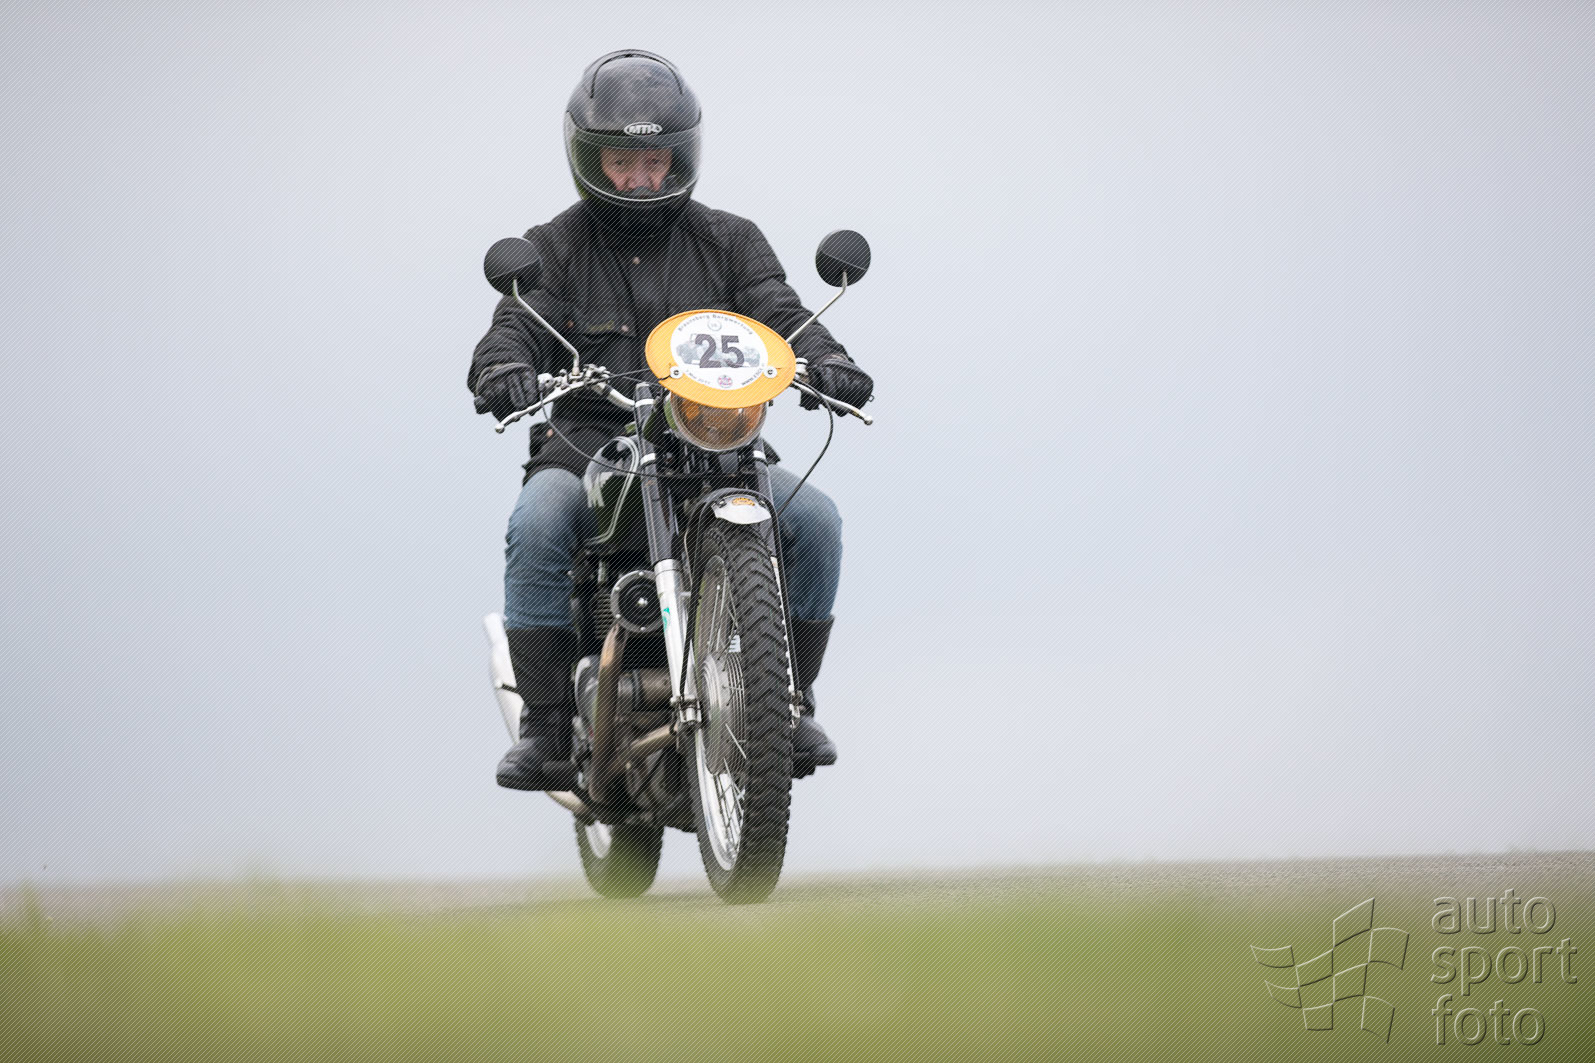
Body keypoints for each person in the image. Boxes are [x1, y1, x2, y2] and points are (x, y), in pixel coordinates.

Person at [469, 50, 874, 792]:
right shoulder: (553, 247)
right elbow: (514, 326)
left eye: (654, 161)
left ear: (680, 157)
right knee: (537, 520)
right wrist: (503, 368)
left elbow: (780, 314)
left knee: (816, 520)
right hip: (588, 441)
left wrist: (828, 359)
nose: (640, 178)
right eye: (623, 162)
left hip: (713, 437)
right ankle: (545, 728)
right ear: (590, 159)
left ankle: (789, 703)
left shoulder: (732, 240)